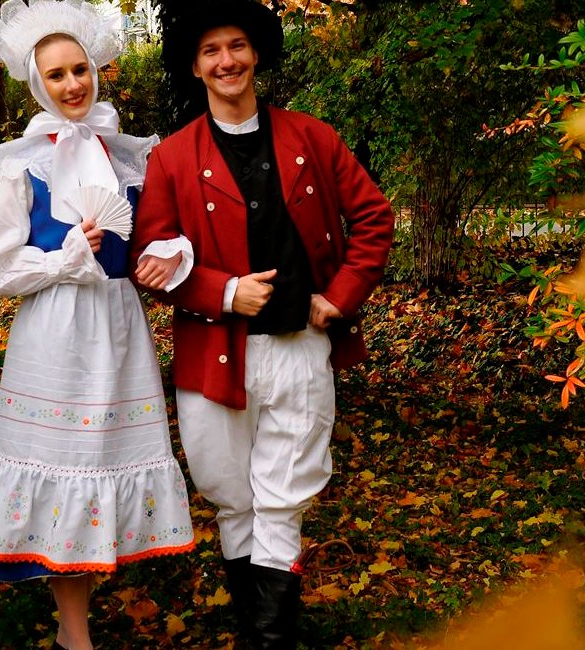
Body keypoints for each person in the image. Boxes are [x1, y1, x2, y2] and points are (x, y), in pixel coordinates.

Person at [131, 1, 395, 647]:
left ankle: (269, 638)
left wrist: (339, 296)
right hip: (213, 356)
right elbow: (151, 260)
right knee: (231, 494)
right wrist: (223, 292)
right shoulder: (170, 158)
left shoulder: (313, 137)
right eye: (211, 51)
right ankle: (259, 623)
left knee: (283, 496)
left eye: (238, 45)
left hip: (299, 350)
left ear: (257, 53)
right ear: (194, 66)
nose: (227, 61)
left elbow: (375, 219)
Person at [0, 2, 195, 649]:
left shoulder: (126, 157)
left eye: (80, 71)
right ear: (40, 84)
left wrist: (168, 254)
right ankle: (75, 633)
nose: (73, 84)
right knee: (64, 465)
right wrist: (62, 260)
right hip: (54, 335)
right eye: (58, 75)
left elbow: (157, 234)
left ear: (96, 72)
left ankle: (78, 625)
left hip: (118, 334)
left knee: (101, 467)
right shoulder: (23, 165)